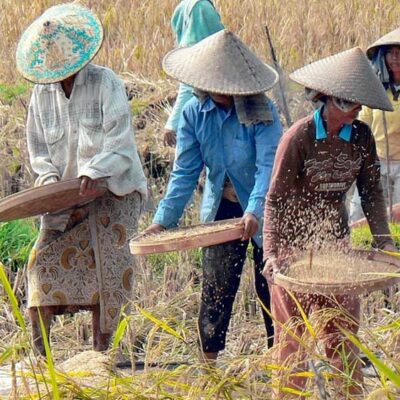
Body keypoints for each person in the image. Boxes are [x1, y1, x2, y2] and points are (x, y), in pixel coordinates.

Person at [262, 47, 397, 398]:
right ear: (332, 100)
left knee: (343, 337)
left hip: (335, 246)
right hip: (293, 250)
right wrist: (273, 254)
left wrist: (384, 241)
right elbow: (274, 200)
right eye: (352, 104)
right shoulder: (299, 138)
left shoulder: (363, 138)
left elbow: (371, 193)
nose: (359, 111)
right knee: (292, 343)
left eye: (360, 105)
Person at [16, 3, 147, 355]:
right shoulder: (41, 94)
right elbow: (39, 149)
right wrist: (48, 182)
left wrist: (93, 171)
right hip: (64, 198)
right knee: (40, 266)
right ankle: (42, 365)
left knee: (107, 276)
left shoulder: (107, 83)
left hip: (112, 192)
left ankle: (102, 361)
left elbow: (119, 142)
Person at [144, 30, 282, 362]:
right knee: (217, 287)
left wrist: (254, 211)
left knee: (271, 285)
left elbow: (268, 166)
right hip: (222, 204)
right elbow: (185, 171)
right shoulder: (194, 113)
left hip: (266, 206)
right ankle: (209, 366)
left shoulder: (262, 111)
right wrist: (163, 221)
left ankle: (280, 361)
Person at [350, 28, 400, 223]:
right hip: (376, 160)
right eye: (390, 52)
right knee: (360, 215)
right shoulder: (374, 89)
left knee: (396, 218)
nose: (395, 57)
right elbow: (363, 123)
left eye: (399, 52)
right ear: (383, 57)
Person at [163, 0, 224, 146]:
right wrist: (173, 122)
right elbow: (194, 76)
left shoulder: (185, 6)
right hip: (210, 102)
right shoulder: (200, 8)